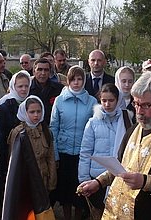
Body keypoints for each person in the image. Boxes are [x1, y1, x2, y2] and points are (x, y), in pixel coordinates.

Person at [77, 72, 151, 219]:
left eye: (146, 105)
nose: (139, 112)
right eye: (136, 103)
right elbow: (121, 166)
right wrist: (99, 182)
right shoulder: (135, 129)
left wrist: (146, 182)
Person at [50, 65, 97, 220]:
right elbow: (53, 128)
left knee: (81, 189)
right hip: (64, 151)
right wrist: (55, 154)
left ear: (84, 80)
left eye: (79, 79)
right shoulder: (60, 100)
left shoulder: (91, 101)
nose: (76, 82)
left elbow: (96, 127)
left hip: (83, 153)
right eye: (73, 79)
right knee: (65, 190)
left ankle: (78, 216)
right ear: (68, 81)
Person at [78, 83, 132, 213]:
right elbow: (85, 151)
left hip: (119, 176)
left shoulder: (126, 120)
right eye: (104, 100)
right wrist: (84, 179)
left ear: (118, 100)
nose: (107, 104)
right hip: (96, 177)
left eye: (111, 100)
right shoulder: (93, 122)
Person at [8, 95, 56, 193]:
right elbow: (13, 161)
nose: (36, 115)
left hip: (43, 178)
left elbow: (50, 157)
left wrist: (52, 181)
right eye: (32, 112)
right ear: (25, 112)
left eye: (38, 111)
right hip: (25, 179)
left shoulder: (46, 131)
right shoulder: (18, 132)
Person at [0, 70, 31, 159]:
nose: (24, 89)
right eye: (20, 86)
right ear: (13, 87)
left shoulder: (31, 102)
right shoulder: (4, 106)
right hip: (10, 151)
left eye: (26, 86)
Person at [29, 57, 64, 125]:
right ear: (34, 71)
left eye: (46, 70)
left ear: (50, 72)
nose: (43, 73)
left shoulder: (59, 89)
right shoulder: (27, 89)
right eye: (40, 69)